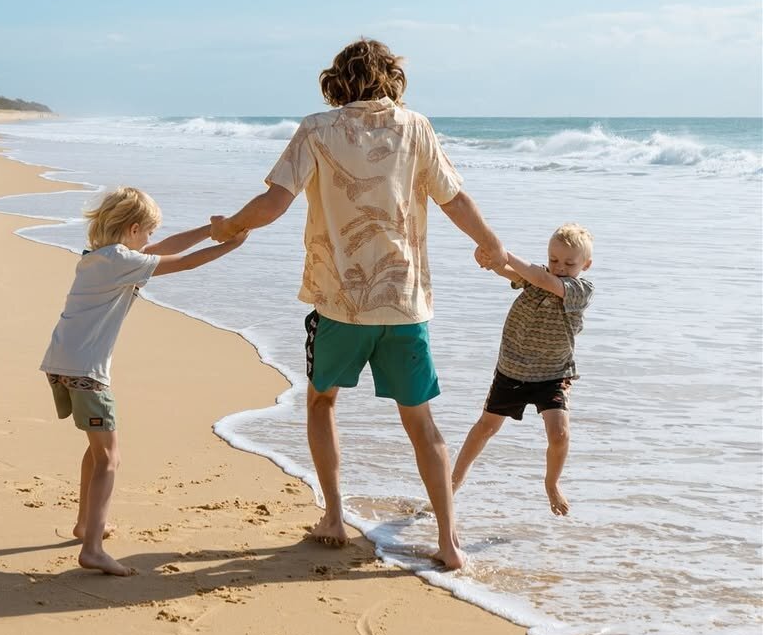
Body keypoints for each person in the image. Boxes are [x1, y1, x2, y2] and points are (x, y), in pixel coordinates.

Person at [209, 38, 505, 571]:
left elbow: (275, 202)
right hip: (403, 303)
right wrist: (490, 243)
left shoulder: (317, 129)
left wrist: (231, 226)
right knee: (421, 423)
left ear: (336, 81)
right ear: (391, 77)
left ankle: (334, 517)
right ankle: (449, 541)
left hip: (339, 303)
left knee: (322, 402)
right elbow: (454, 198)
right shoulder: (416, 128)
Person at [42, 186, 246, 577]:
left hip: (62, 362)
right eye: (148, 231)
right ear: (133, 230)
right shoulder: (121, 261)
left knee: (97, 449)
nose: (151, 239)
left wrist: (210, 230)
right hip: (86, 370)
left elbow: (162, 249)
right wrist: (229, 246)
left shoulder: (99, 258)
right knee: (110, 457)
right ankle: (92, 548)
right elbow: (183, 262)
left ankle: (86, 525)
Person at [452, 224, 594, 517]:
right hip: (512, 369)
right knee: (486, 427)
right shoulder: (535, 278)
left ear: (585, 265)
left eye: (569, 263)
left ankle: (552, 483)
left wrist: (503, 252)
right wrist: (489, 257)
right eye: (554, 260)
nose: (560, 268)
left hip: (553, 374)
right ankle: (452, 484)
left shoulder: (581, 290)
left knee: (559, 434)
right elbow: (507, 270)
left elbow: (540, 277)